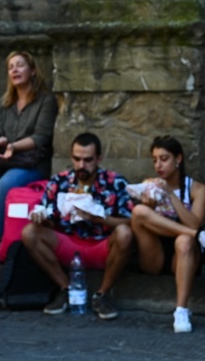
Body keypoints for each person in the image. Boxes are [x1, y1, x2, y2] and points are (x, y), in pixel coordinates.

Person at [21, 132, 134, 320]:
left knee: (124, 233)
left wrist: (99, 218)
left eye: (88, 160)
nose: (82, 165)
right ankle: (66, 288)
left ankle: (102, 294)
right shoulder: (59, 182)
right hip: (69, 245)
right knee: (29, 232)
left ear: (99, 159)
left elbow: (130, 221)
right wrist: (41, 218)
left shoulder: (115, 182)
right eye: (77, 159)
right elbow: (49, 219)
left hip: (102, 245)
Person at [0, 51, 57, 260]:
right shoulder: (3, 103)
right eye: (11, 67)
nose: (14, 70)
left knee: (6, 184)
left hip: (31, 161)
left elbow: (41, 137)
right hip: (4, 158)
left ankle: (1, 239)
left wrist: (14, 146)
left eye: (20, 65)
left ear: (32, 71)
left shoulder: (45, 100)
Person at [130, 135, 205, 333]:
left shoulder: (197, 189)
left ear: (178, 159)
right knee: (139, 212)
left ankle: (181, 310)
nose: (158, 165)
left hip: (185, 254)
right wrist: (150, 204)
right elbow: (141, 219)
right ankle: (201, 237)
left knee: (185, 239)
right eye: (155, 159)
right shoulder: (150, 185)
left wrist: (171, 195)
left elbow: (195, 223)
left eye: (164, 159)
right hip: (155, 254)